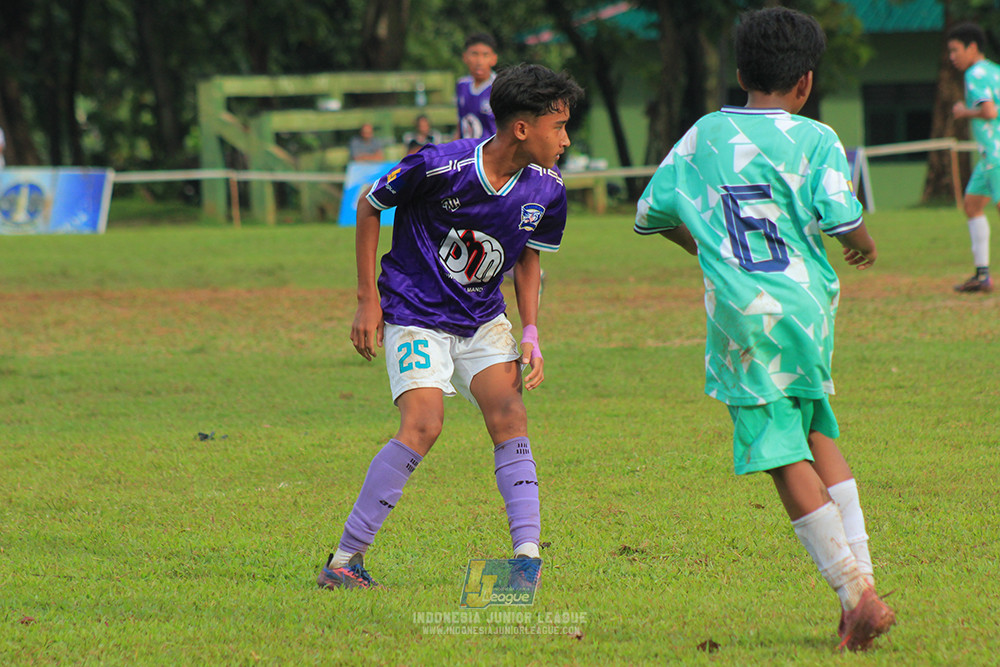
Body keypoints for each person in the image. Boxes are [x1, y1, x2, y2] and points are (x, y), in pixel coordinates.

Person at [634, 7, 895, 652]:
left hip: (743, 321)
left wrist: (704, 246)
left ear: (741, 72)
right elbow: (842, 218)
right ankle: (861, 588)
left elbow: (650, 210)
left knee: (781, 454)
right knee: (816, 427)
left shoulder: (703, 136)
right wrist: (863, 243)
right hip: (809, 311)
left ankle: (854, 594)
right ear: (805, 82)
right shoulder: (817, 137)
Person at [317, 63, 584, 591]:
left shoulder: (548, 190)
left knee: (510, 415)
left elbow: (529, 257)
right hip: (416, 313)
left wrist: (530, 331)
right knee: (423, 424)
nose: (567, 139)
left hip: (482, 318)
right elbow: (369, 205)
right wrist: (367, 298)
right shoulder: (441, 166)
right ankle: (344, 561)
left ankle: (525, 564)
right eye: (559, 126)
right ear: (523, 128)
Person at [948, 21, 1000, 293]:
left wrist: (963, 111)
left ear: (972, 47)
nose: (952, 57)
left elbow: (989, 112)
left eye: (956, 50)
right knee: (972, 205)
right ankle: (982, 275)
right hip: (987, 155)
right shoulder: (994, 70)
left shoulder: (975, 74)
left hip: (996, 152)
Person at [456, 33, 498, 139]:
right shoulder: (462, 85)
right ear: (465, 57)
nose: (479, 61)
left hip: (492, 152)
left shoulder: (500, 86)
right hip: (467, 150)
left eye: (485, 55)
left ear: (494, 59)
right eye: (474, 54)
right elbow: (460, 124)